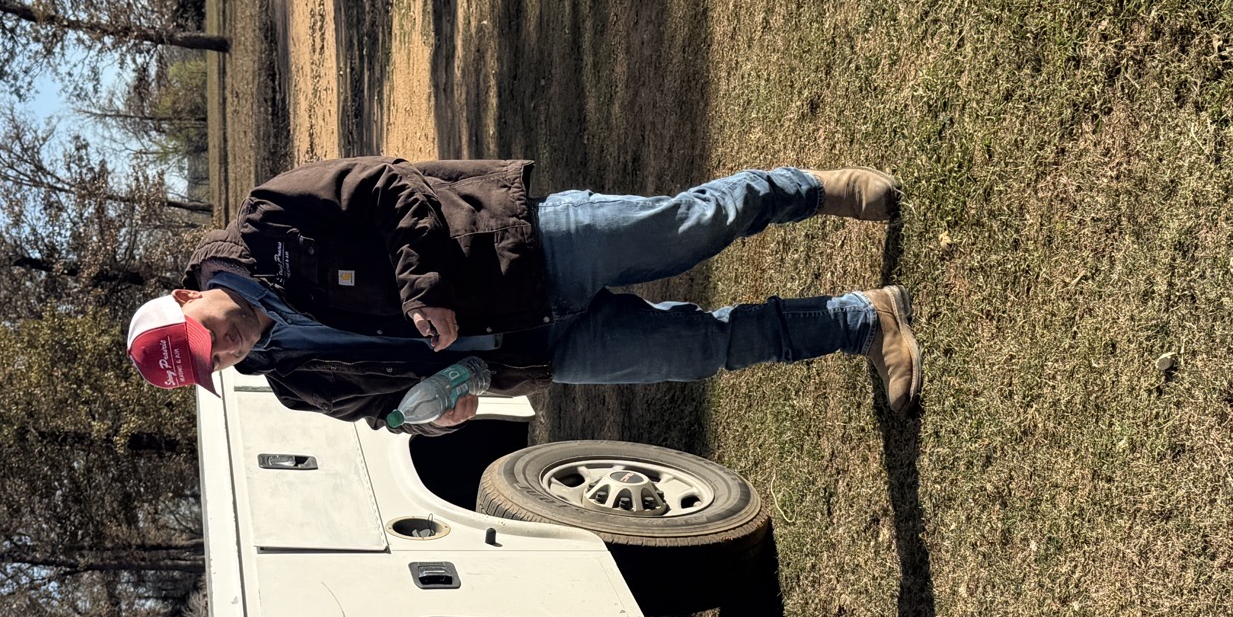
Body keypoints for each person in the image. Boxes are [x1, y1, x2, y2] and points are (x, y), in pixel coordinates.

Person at [127, 157, 921, 433]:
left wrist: (421, 288)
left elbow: (390, 186)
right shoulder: (297, 381)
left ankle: (818, 191)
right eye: (211, 366)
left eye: (206, 340)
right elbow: (384, 412)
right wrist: (433, 417)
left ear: (187, 295)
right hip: (530, 354)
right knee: (706, 348)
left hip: (526, 249)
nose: (224, 354)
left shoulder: (272, 218)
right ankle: (863, 321)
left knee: (696, 223)